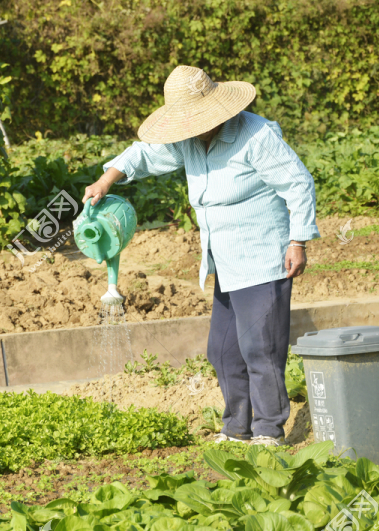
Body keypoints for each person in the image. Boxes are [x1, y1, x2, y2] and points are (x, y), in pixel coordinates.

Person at [82, 65, 320, 446]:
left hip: (262, 258)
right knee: (223, 351)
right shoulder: (189, 140)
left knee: (261, 348)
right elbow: (145, 154)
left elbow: (298, 182)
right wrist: (106, 179)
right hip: (224, 262)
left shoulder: (254, 135)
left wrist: (298, 241)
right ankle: (237, 429)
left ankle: (269, 431)